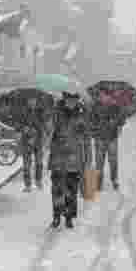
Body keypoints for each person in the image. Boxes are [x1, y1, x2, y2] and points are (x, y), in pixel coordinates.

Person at [49, 92, 88, 228]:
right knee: (57, 189)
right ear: (65, 100)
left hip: (74, 158)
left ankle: (69, 217)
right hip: (58, 157)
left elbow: (86, 135)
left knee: (71, 190)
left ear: (77, 101)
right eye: (69, 100)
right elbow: (50, 130)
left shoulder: (82, 114)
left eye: (74, 100)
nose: (71, 103)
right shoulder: (56, 113)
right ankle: (56, 215)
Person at [93, 103, 124, 191]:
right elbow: (91, 119)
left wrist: (118, 124)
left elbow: (121, 118)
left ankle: (114, 180)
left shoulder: (115, 105)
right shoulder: (96, 105)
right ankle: (99, 181)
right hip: (100, 137)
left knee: (112, 160)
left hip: (111, 137)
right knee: (99, 161)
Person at [19, 98, 46, 192]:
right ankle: (27, 185)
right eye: (30, 100)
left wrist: (37, 128)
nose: (32, 102)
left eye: (34, 101)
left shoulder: (40, 112)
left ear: (36, 102)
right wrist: (23, 128)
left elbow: (44, 125)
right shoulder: (22, 112)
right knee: (26, 165)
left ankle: (38, 181)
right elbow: (18, 125)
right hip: (26, 142)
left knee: (39, 163)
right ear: (27, 102)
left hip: (38, 141)